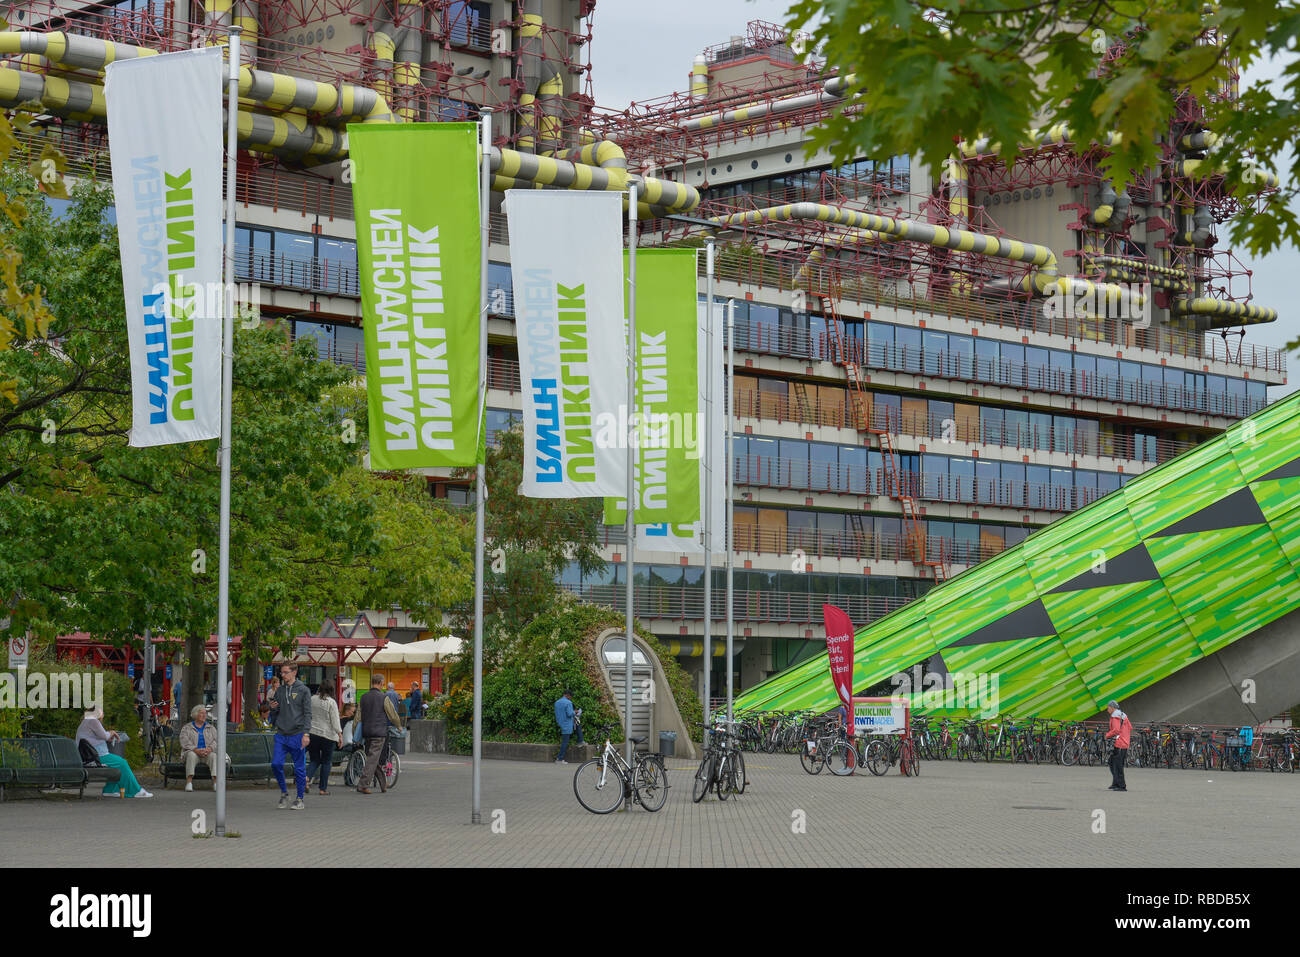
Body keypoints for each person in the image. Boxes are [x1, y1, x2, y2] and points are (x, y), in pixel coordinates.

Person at [76, 706, 151, 799]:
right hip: (95, 756)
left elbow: (100, 735)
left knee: (116, 763)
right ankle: (134, 791)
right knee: (122, 763)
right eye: (102, 711)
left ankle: (110, 790)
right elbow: (105, 736)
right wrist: (112, 733)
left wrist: (109, 734)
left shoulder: (86, 721)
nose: (103, 713)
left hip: (90, 755)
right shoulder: (93, 721)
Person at [271, 663, 312, 810]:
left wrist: (306, 733)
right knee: (276, 764)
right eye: (281, 673)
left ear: (294, 672)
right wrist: (273, 709)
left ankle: (300, 799)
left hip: (297, 734)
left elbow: (308, 714)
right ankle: (284, 793)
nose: (283, 675)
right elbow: (274, 714)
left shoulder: (304, 690)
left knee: (299, 769)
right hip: (281, 734)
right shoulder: (280, 691)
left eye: (286, 672)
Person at [357, 674, 401, 794]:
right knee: (372, 759)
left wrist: (354, 731)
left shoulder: (363, 697)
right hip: (379, 732)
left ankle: (383, 784)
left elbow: (358, 716)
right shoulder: (383, 697)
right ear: (381, 683)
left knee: (373, 758)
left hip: (366, 732)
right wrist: (399, 726)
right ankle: (363, 784)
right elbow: (392, 715)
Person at [304, 679, 343, 796]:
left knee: (315, 759)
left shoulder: (312, 699)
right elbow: (335, 721)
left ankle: (306, 777)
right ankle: (322, 788)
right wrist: (340, 735)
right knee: (326, 762)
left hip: (313, 733)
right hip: (327, 736)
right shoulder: (331, 702)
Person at [179, 704, 220, 792]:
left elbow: (217, 741)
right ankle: (189, 783)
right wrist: (195, 749)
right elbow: (184, 741)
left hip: (207, 753)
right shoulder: (187, 728)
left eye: (205, 713)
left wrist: (209, 749)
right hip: (193, 752)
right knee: (191, 755)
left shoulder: (211, 727)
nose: (204, 715)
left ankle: (216, 783)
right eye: (202, 713)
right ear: (195, 714)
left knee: (213, 756)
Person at [1105, 700, 1132, 792]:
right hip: (1124, 742)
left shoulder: (1115, 716)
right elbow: (1130, 727)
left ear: (1112, 708)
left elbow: (1116, 730)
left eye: (1108, 707)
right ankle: (1116, 783)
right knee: (1113, 762)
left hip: (1119, 743)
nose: (1107, 709)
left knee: (1117, 764)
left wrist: (1107, 735)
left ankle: (1121, 785)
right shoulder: (1123, 716)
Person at [554, 689, 583, 764]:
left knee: (577, 725)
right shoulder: (568, 702)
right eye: (570, 696)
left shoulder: (557, 702)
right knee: (565, 742)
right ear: (567, 695)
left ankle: (580, 741)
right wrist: (576, 712)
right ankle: (559, 759)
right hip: (567, 724)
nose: (571, 698)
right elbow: (570, 714)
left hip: (560, 723)